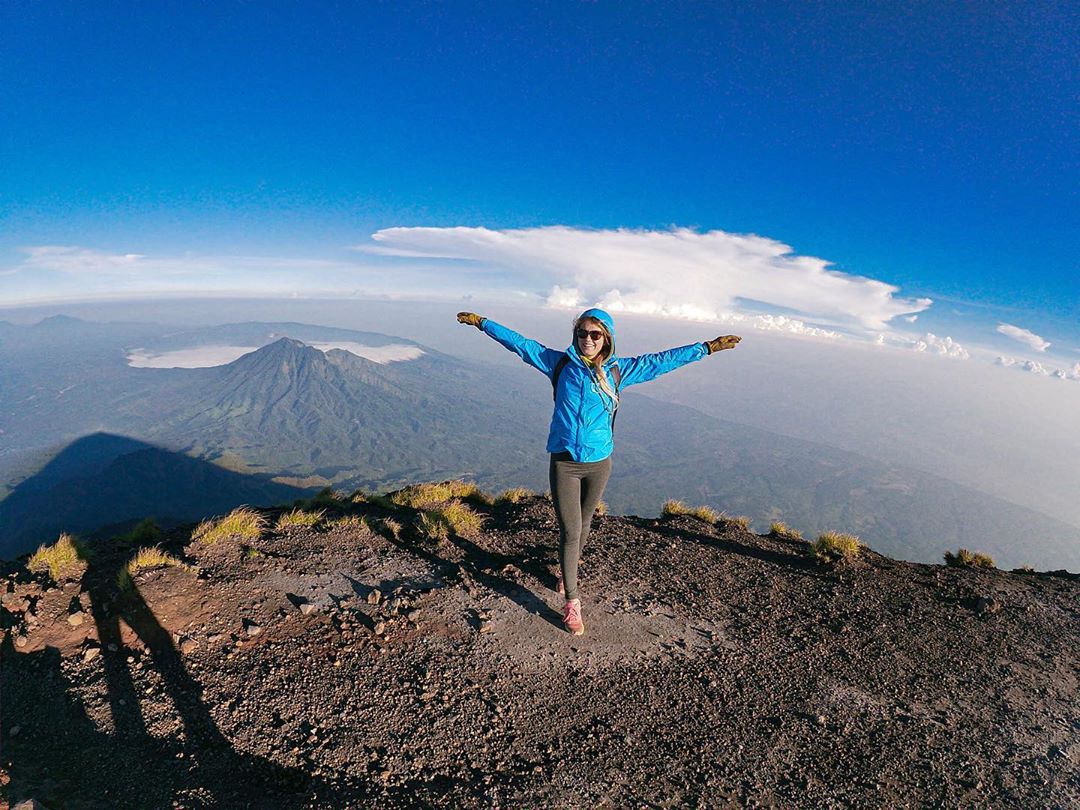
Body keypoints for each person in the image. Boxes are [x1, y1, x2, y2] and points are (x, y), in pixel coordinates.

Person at [456, 308, 740, 635]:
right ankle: (572, 603)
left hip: (599, 463)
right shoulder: (559, 364)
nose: (587, 340)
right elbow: (521, 344)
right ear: (575, 336)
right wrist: (483, 324)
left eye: (595, 334)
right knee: (571, 530)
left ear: (606, 338)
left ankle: (567, 570)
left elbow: (663, 360)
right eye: (582, 334)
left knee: (586, 521)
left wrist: (706, 347)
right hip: (565, 461)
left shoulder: (619, 371)